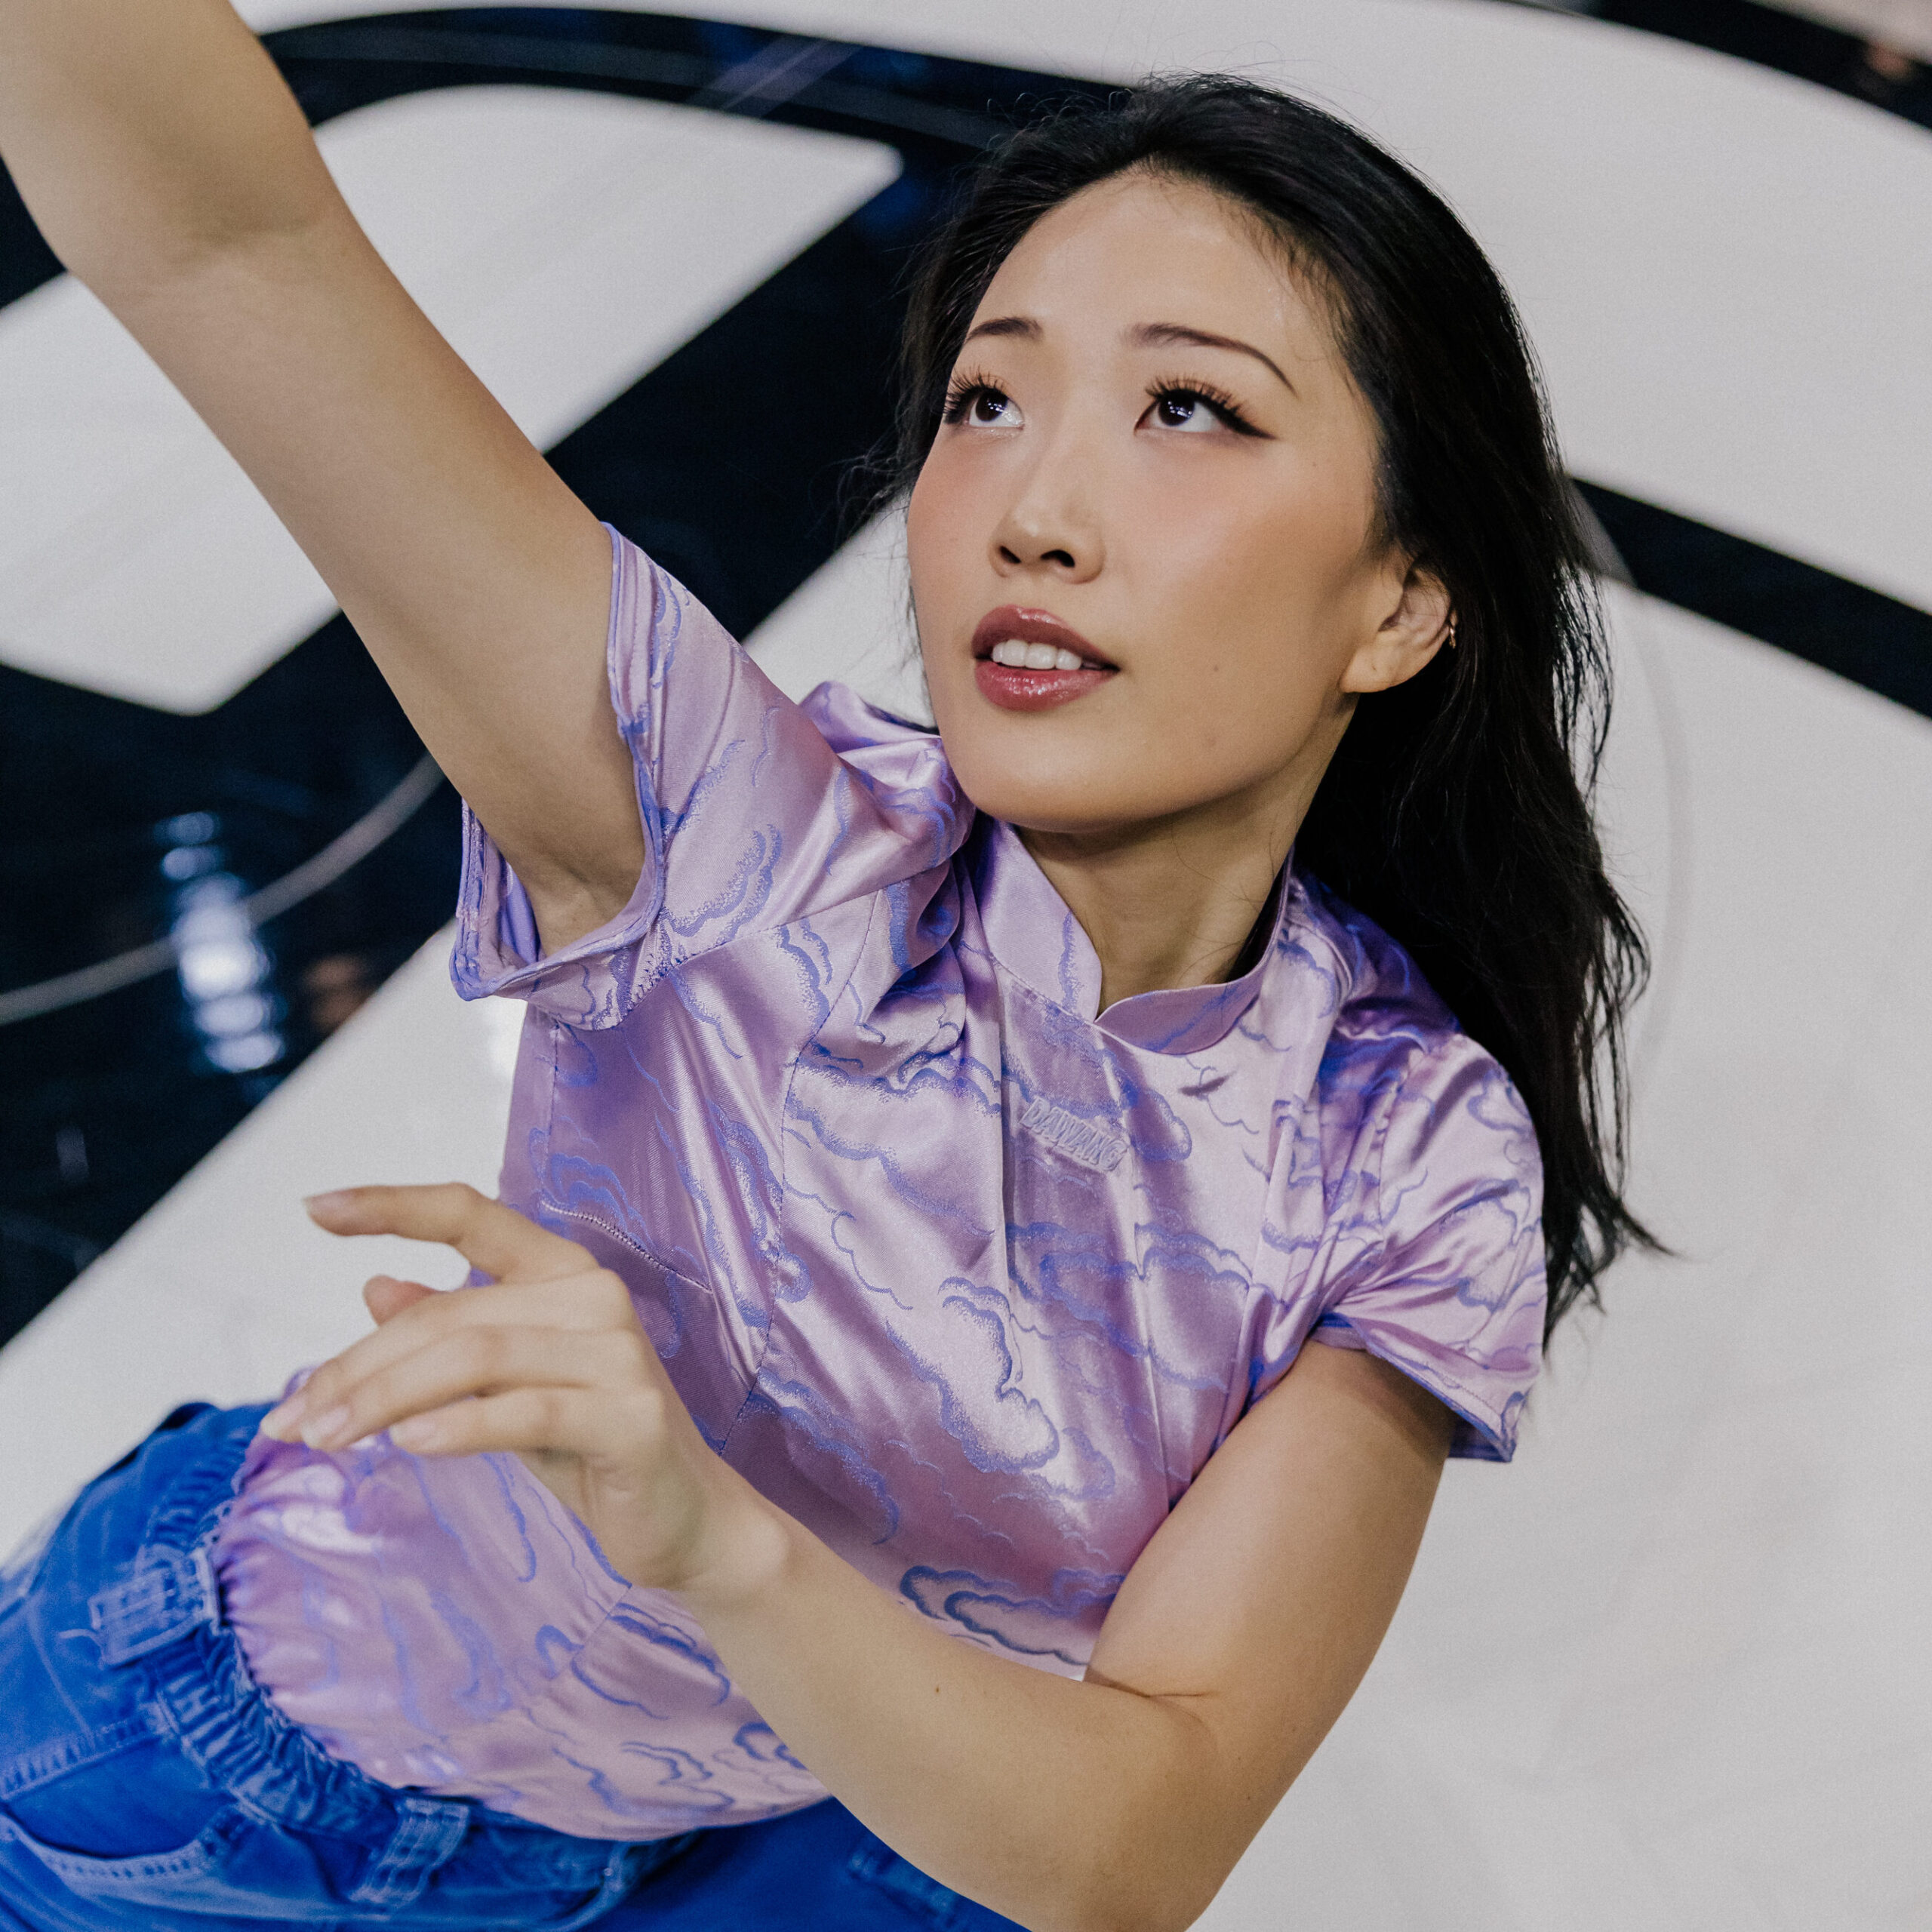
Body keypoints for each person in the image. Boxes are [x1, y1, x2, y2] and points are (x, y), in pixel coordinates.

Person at [0, 8, 1653, 1927]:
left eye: (1185, 407)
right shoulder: (735, 834)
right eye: (985, 401)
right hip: (203, 1787)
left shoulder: (1404, 1150)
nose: (1029, 513)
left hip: (743, 1817)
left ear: (1402, 595)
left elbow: (1148, 1824)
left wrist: (712, 1533)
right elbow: (232, 246)